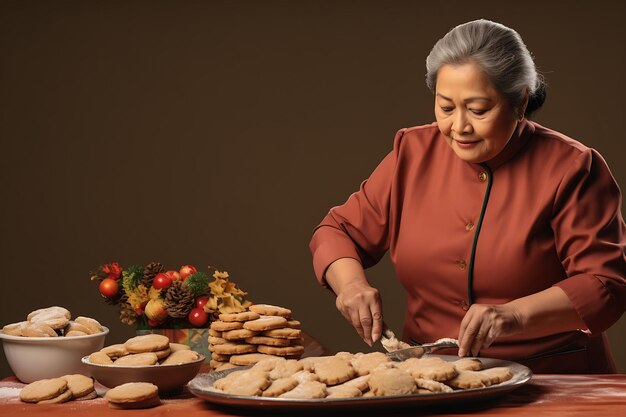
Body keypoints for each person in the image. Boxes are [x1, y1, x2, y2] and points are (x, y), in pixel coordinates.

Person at [309, 19, 626, 373]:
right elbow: (337, 232)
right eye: (446, 107)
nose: (459, 127)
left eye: (478, 110)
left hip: (552, 377)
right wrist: (351, 285)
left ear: (520, 101)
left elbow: (605, 285)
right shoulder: (412, 153)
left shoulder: (573, 167)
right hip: (431, 377)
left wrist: (513, 315)